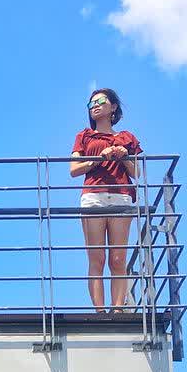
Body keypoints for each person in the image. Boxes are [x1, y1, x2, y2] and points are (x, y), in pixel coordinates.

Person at [70, 88, 142, 312]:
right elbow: (74, 169)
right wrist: (98, 159)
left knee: (118, 258)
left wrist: (124, 156)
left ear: (113, 107)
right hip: (93, 196)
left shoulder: (127, 137)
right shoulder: (84, 136)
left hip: (121, 195)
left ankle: (118, 309)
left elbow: (137, 172)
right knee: (96, 258)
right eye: (91, 104)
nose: (94, 106)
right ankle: (100, 311)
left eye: (100, 101)